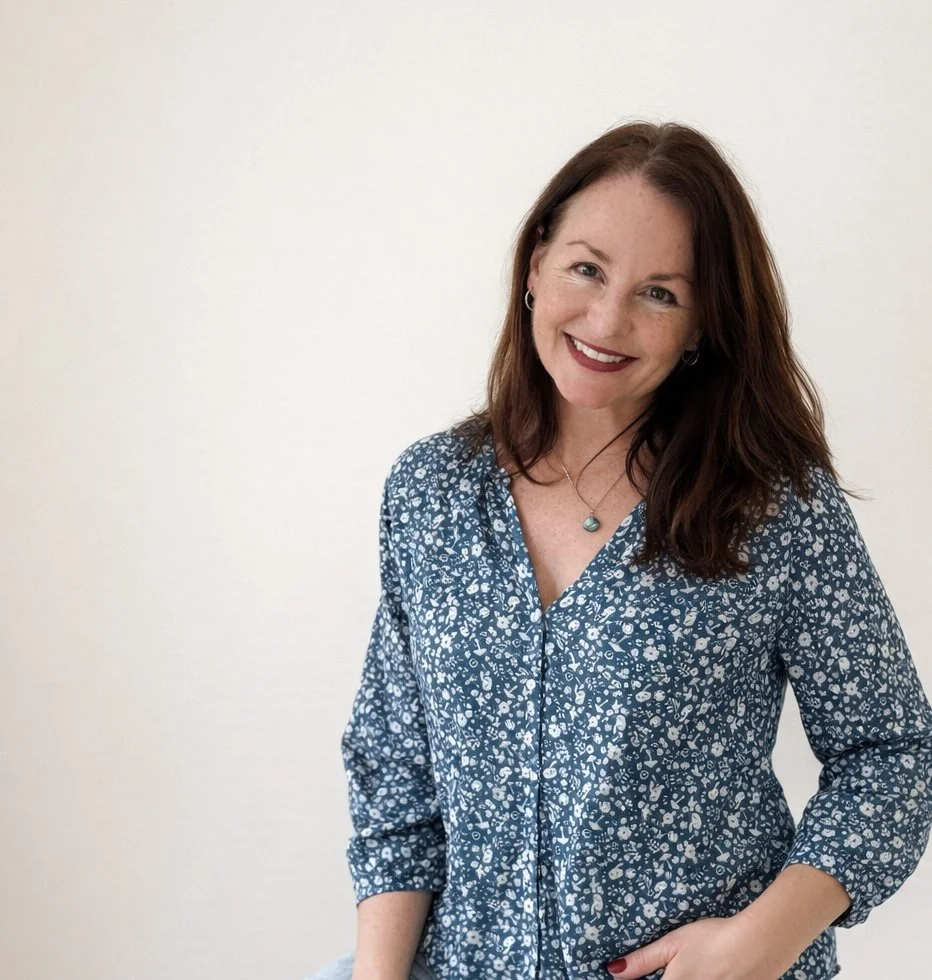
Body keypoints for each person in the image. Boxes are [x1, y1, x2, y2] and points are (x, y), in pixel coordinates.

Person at [306, 120, 932, 980]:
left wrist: (760, 941)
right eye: (587, 269)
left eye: (660, 293)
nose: (607, 319)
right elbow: (395, 774)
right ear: (536, 265)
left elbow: (892, 754)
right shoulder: (432, 493)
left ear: (701, 323)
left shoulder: (772, 506)